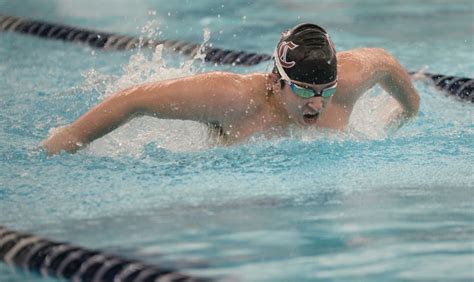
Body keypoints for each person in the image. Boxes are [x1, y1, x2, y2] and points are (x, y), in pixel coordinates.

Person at [42, 23, 420, 155]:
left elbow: (386, 62)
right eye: (305, 91)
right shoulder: (231, 97)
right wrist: (67, 139)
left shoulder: (348, 83)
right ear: (276, 81)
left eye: (326, 90)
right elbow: (135, 101)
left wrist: (407, 111)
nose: (318, 103)